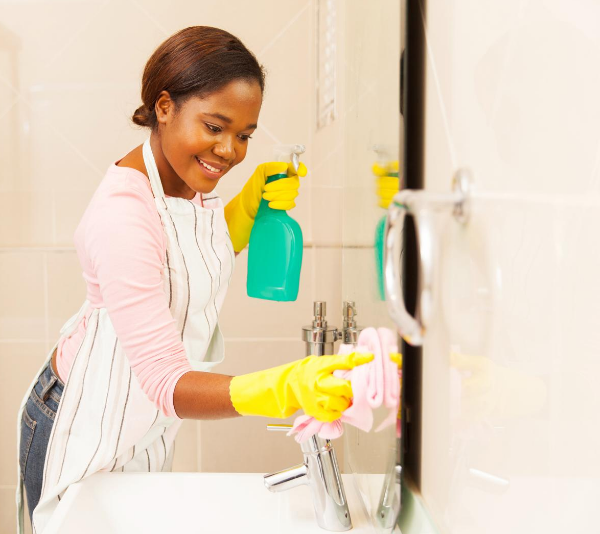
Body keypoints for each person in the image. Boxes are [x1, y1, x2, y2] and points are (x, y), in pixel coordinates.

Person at [15, 26, 372, 533]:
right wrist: (281, 387)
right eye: (215, 126)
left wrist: (246, 210)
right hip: (80, 420)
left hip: (138, 419)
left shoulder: (187, 181)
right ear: (164, 107)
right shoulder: (124, 214)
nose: (230, 150)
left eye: (245, 135)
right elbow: (165, 380)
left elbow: (183, 262)